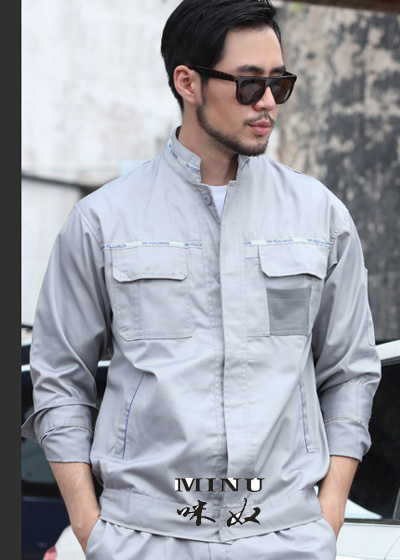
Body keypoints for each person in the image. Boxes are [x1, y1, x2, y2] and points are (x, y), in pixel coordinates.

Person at [22, 0, 382, 558]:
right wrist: (92, 528)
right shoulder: (103, 221)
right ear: (187, 82)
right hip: (143, 538)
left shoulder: (320, 217)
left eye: (280, 83)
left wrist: (328, 514)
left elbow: (350, 371)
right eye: (249, 84)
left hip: (283, 537)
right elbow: (60, 378)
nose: (268, 102)